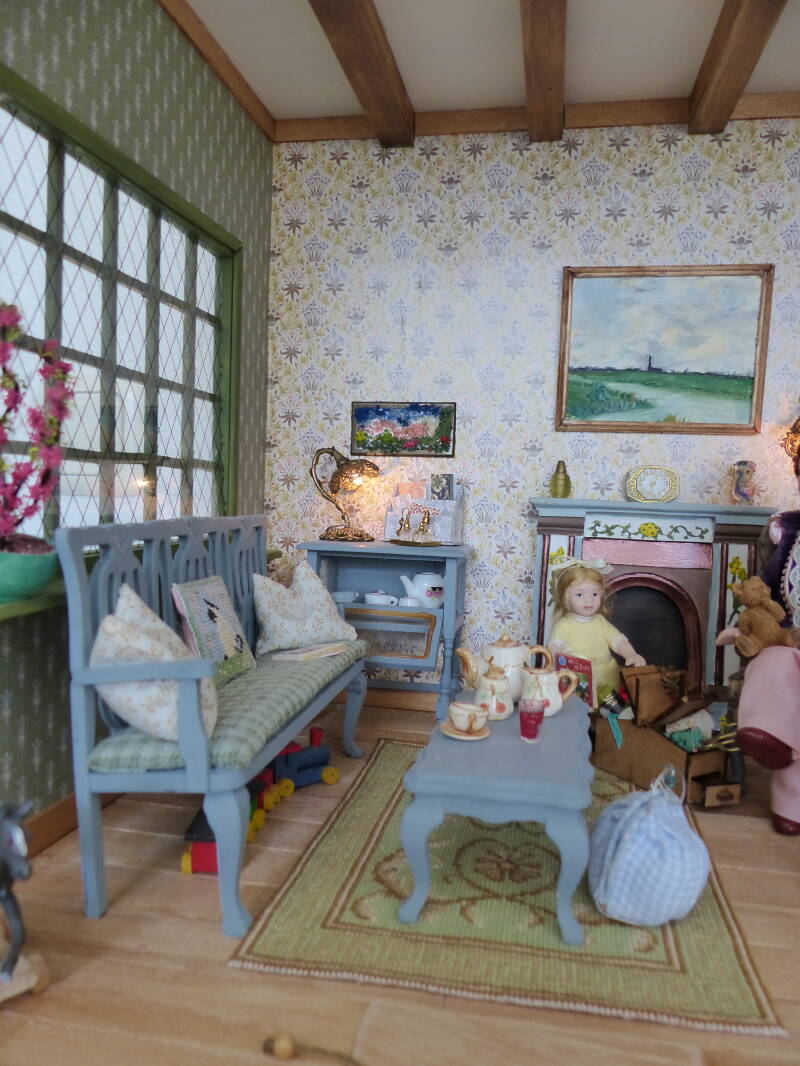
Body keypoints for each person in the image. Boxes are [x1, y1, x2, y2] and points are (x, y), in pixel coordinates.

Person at [548, 562, 646, 698]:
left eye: (594, 594)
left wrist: (631, 654)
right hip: (579, 683)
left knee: (611, 705)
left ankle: (609, 709)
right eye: (579, 595)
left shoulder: (600, 622)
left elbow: (618, 641)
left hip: (608, 680)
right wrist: (555, 668)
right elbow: (553, 649)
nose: (589, 600)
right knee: (580, 706)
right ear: (565, 599)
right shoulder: (565, 625)